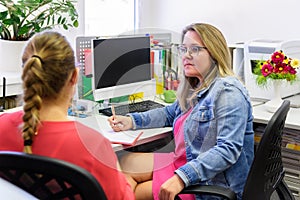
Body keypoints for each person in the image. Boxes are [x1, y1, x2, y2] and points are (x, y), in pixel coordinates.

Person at [108, 23, 254, 200]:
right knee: (123, 164)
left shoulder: (227, 92)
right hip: (185, 161)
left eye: (195, 49)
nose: (186, 55)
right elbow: (169, 113)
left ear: (214, 54)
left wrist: (182, 178)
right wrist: (131, 121)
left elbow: (227, 150)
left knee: (133, 190)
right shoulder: (198, 85)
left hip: (209, 181)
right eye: (183, 49)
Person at [0, 31, 134, 200]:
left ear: (26, 74)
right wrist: (120, 173)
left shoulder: (1, 127)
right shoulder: (93, 145)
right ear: (74, 76)